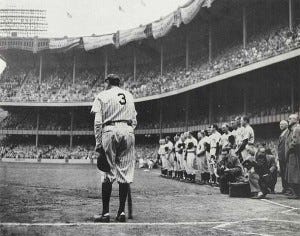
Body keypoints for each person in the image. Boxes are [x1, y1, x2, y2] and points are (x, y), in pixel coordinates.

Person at [91, 74, 137, 223]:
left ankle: (105, 214)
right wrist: (127, 131)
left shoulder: (103, 95)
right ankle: (121, 212)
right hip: (128, 130)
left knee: (108, 173)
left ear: (107, 82)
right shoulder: (129, 95)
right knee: (124, 175)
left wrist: (99, 143)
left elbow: (98, 122)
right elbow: (134, 121)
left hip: (110, 130)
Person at [285, 114, 300, 199]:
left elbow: (296, 142)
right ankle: (295, 192)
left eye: (290, 118)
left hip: (294, 153)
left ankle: (297, 193)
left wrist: (290, 147)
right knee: (293, 173)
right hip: (293, 153)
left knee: (294, 173)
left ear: (296, 120)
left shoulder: (296, 129)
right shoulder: (293, 129)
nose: (288, 120)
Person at [278, 120, 289, 194]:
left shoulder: (288, 132)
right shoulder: (282, 133)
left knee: (286, 172)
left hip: (284, 156)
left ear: (286, 125)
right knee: (282, 172)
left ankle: (288, 188)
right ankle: (284, 188)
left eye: (282, 124)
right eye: (280, 124)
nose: (280, 125)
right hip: (281, 156)